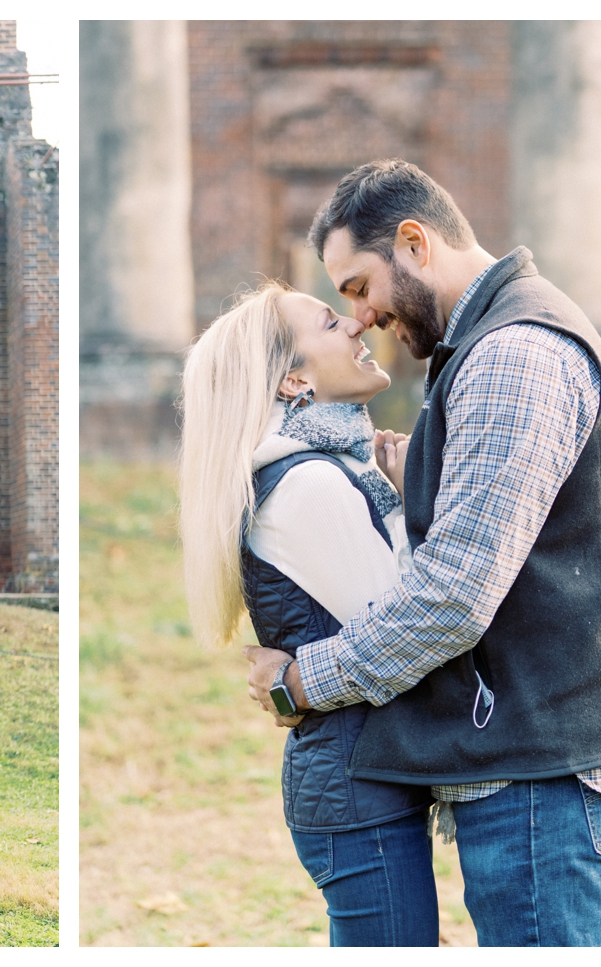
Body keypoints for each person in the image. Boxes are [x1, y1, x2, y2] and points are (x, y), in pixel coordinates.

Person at [245, 158, 601, 946]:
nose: (363, 314)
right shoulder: (496, 343)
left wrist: (301, 681)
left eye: (357, 285)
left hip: (547, 769)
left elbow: (451, 595)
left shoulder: (512, 353)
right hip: (542, 754)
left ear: (415, 242)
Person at [179, 281, 437, 946]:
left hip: (362, 781)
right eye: (330, 323)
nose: (357, 326)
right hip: (358, 793)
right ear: (294, 377)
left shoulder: (325, 468)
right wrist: (415, 508)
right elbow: (408, 626)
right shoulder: (308, 484)